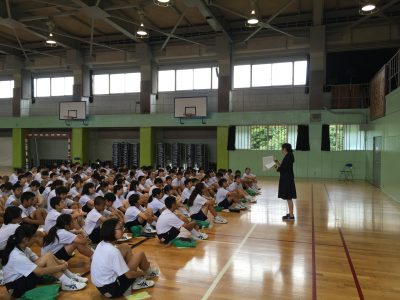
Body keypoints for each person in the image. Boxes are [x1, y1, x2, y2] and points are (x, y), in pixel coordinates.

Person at [2, 225, 87, 297]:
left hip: (22, 279)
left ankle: (70, 277)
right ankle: (67, 282)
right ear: (25, 239)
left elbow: (40, 261)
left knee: (48, 255)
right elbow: (40, 272)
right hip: (16, 287)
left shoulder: (24, 248)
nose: (36, 239)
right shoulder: (16, 255)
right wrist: (60, 266)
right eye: (34, 237)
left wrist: (60, 262)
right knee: (47, 257)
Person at [91, 218, 158, 297]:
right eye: (120, 228)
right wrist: (141, 273)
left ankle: (136, 280)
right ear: (111, 231)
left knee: (124, 246)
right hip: (113, 289)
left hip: (102, 287)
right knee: (140, 255)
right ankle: (148, 272)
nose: (123, 229)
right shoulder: (113, 251)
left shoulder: (101, 244)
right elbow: (128, 275)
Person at [274, 143, 297, 221]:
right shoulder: (289, 156)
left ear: (285, 149)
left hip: (287, 180)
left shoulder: (287, 157)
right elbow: (284, 167)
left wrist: (275, 166)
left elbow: (282, 169)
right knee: (288, 198)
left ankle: (291, 216)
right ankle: (291, 213)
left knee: (289, 198)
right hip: (288, 179)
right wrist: (277, 163)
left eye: (282, 149)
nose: (281, 150)